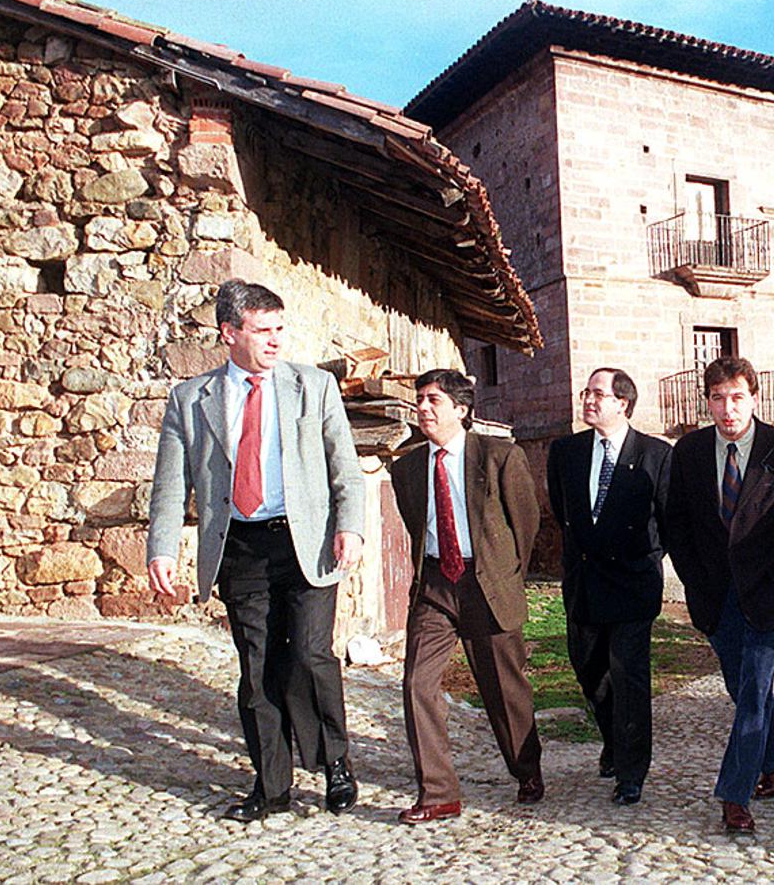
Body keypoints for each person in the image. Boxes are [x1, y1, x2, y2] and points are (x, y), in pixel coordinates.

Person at [147, 278, 364, 823]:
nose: (275, 340)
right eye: (263, 330)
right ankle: (271, 788)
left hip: (306, 542)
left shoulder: (313, 387)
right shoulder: (190, 398)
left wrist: (352, 527)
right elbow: (171, 483)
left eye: (279, 329)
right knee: (259, 668)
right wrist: (162, 548)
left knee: (312, 656)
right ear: (230, 333)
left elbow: (346, 468)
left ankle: (334, 761)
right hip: (240, 547)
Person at [665, 357, 774, 834]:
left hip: (770, 596)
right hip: (714, 597)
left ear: (754, 398)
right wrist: (693, 580)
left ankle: (735, 794)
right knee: (744, 689)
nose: (727, 409)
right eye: (717, 398)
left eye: (736, 397)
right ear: (707, 401)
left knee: (752, 693)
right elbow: (676, 525)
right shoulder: (688, 452)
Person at [389, 369, 544, 824]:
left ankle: (526, 769)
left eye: (434, 400)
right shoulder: (407, 469)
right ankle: (438, 794)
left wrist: (504, 573)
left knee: (503, 688)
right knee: (417, 683)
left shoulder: (500, 457)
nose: (423, 408)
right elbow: (415, 525)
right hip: (436, 585)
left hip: (486, 582)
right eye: (419, 400)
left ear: (461, 409)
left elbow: (526, 522)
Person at [547, 368, 671, 806]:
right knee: (590, 672)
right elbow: (563, 510)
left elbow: (668, 518)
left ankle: (631, 770)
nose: (589, 400)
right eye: (587, 392)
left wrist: (649, 560)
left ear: (623, 403)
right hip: (584, 582)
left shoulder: (656, 454)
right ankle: (614, 741)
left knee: (629, 675)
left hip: (634, 582)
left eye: (598, 393)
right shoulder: (565, 452)